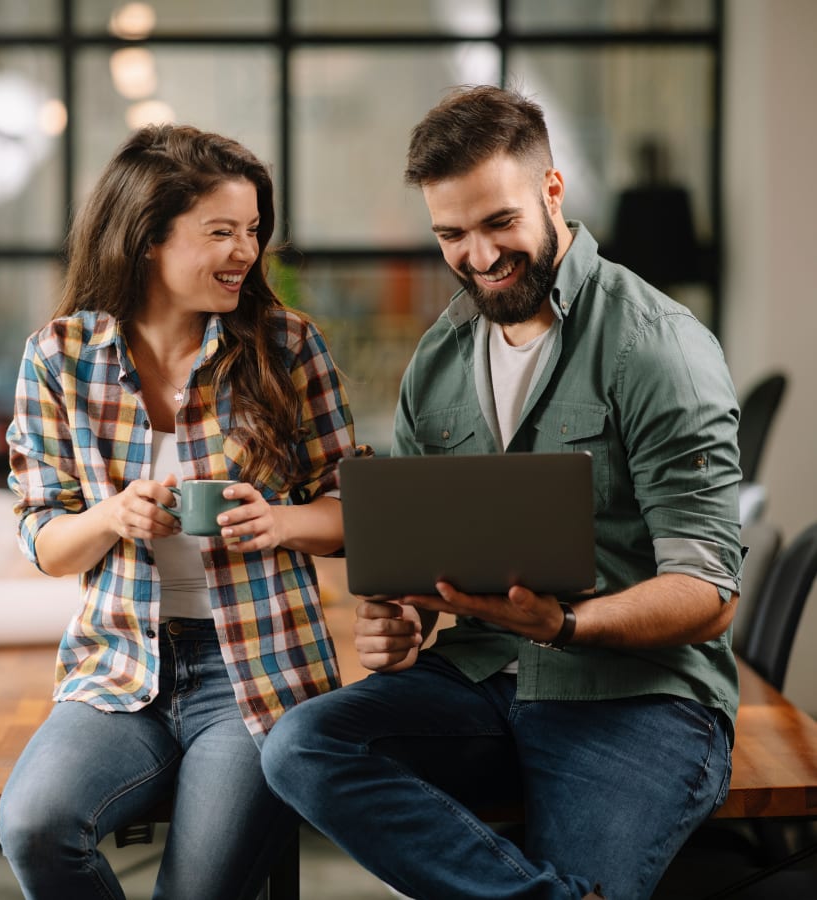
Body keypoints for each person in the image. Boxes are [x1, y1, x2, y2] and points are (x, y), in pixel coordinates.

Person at [261, 85, 743, 900]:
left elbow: (708, 591)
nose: (478, 257)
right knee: (299, 748)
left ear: (552, 191)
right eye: (451, 234)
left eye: (499, 224)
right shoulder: (440, 358)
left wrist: (566, 623)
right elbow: (418, 554)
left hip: (636, 697)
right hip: (481, 677)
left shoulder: (658, 346)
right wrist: (403, 617)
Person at [0, 123, 362, 900]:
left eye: (253, 231)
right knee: (35, 826)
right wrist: (111, 519)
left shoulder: (286, 347)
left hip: (257, 673)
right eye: (221, 232)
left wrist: (281, 521)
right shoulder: (60, 356)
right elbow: (45, 539)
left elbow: (358, 511)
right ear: (147, 242)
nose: (246, 252)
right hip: (118, 671)